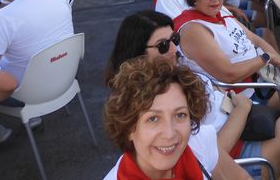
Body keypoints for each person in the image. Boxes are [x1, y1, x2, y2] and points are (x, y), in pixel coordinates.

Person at [106, 11, 280, 179]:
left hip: (251, 130)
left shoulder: (177, 78)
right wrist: (242, 108)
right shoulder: (159, 104)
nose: (173, 49)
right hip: (245, 154)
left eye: (174, 40)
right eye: (163, 46)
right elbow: (213, 151)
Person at [103, 56, 251, 180]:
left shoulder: (198, 142)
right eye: (153, 119)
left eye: (180, 115)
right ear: (129, 128)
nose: (170, 134)